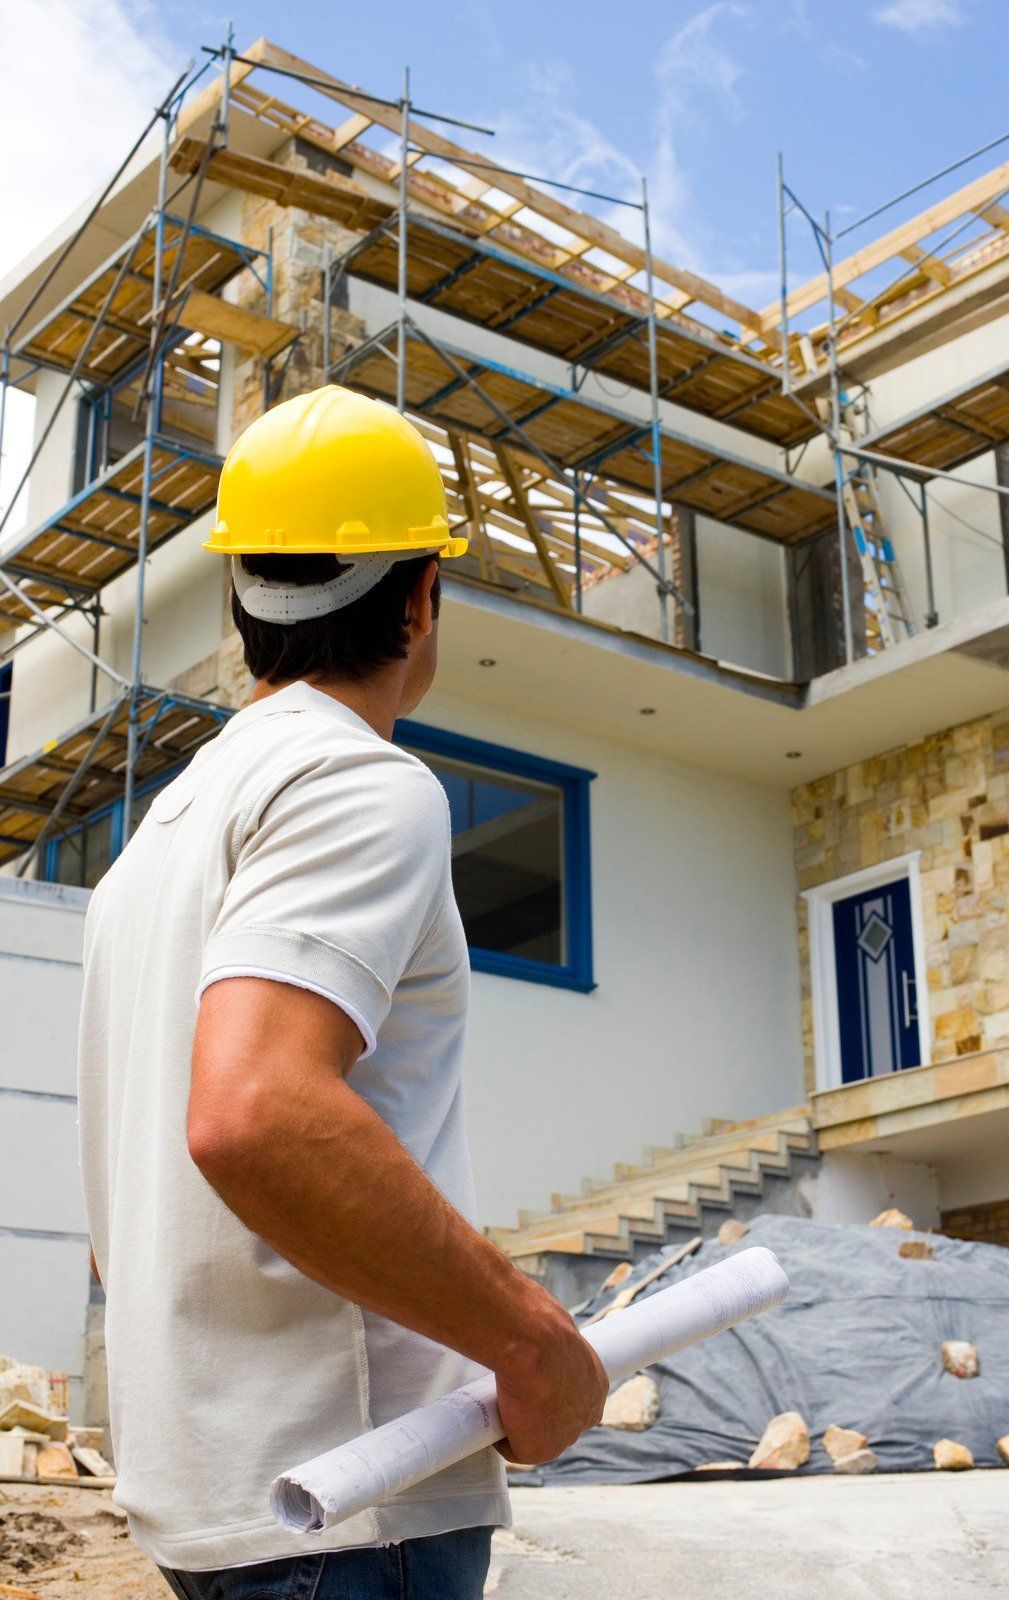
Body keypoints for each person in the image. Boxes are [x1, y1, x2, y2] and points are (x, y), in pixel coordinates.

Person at [77, 387, 608, 1600]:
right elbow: (253, 1111)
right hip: (352, 1508)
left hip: (211, 1511)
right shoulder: (360, 783)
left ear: (239, 597)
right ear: (422, 597)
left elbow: (127, 1220)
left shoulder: (155, 844)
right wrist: (531, 1340)